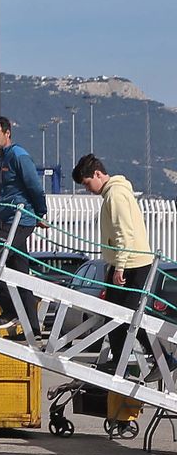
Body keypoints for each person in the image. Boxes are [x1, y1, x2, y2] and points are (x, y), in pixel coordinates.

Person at [72, 154, 159, 376]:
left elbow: (124, 233)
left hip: (132, 265)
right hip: (126, 263)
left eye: (87, 183)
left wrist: (119, 266)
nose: (88, 189)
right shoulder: (114, 193)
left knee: (128, 317)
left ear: (98, 174)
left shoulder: (116, 195)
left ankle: (161, 360)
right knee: (115, 315)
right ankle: (119, 360)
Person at [0, 116, 48, 337]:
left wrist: (41, 212)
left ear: (7, 133)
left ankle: (11, 311)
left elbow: (34, 185)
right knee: (20, 273)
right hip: (7, 221)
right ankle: (33, 329)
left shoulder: (18, 155)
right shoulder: (1, 159)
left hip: (19, 221)